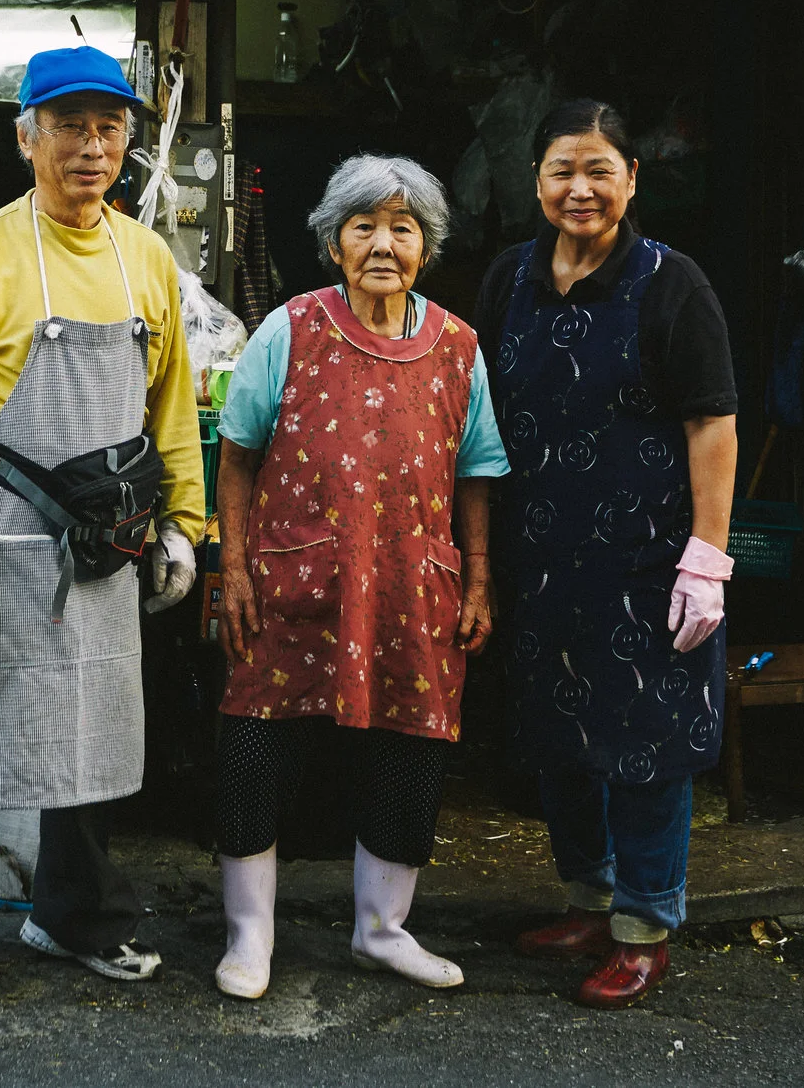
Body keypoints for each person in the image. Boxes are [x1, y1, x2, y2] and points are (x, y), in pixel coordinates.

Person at [0, 44, 202, 1023]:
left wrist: (185, 521)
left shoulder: (144, 256)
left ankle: (76, 915)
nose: (90, 147)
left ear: (127, 142)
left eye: (108, 128)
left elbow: (172, 401)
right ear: (25, 137)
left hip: (107, 541)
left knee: (92, 731)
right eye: (67, 126)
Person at [210, 155, 506, 1000]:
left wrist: (478, 577)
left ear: (427, 246)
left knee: (410, 747)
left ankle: (383, 930)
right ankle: (248, 937)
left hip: (416, 583)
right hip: (294, 576)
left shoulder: (458, 347)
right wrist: (232, 566)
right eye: (363, 226)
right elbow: (238, 453)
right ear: (334, 243)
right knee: (257, 745)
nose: (383, 243)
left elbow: (477, 470)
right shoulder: (292, 328)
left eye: (402, 228)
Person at [476, 99, 739, 1010]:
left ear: (632, 179)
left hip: (646, 559)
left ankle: (643, 927)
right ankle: (587, 900)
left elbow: (712, 421)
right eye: (560, 171)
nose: (579, 189)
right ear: (536, 180)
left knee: (647, 747)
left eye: (598, 170)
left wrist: (708, 553)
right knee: (558, 740)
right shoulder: (509, 277)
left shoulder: (673, 284)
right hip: (539, 555)